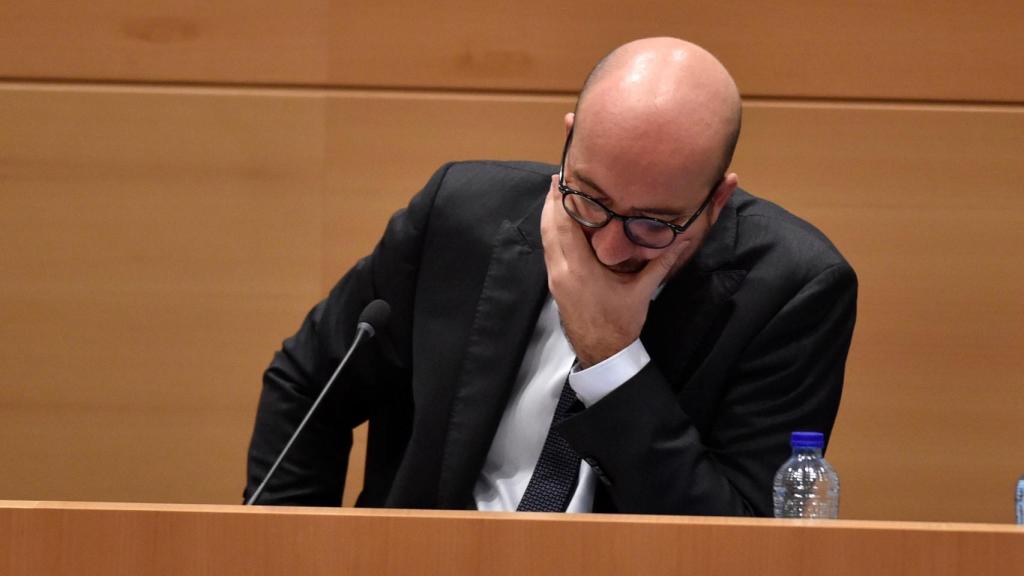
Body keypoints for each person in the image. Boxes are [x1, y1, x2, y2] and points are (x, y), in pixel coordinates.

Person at [244, 37, 857, 516]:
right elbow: (307, 387)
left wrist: (612, 358)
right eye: (590, 198)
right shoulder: (461, 215)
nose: (612, 245)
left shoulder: (792, 290)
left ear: (717, 202)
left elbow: (736, 545)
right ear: (568, 144)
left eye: (654, 223)